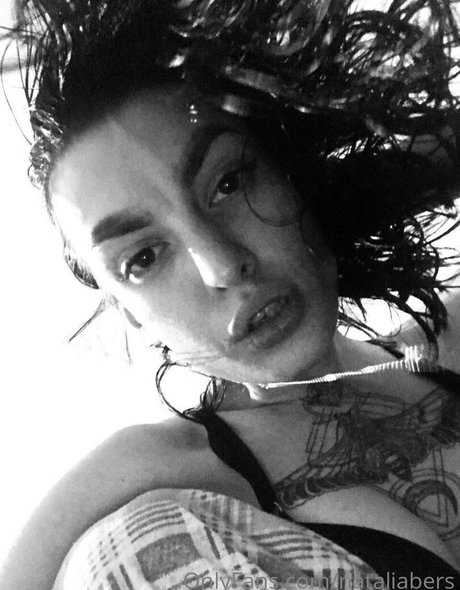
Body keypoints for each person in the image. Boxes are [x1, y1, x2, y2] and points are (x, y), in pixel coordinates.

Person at [2, 0, 460, 588]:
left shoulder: (447, 343)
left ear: (291, 174)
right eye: (143, 259)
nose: (221, 265)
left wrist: (365, 186)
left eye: (229, 182)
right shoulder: (164, 470)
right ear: (130, 317)